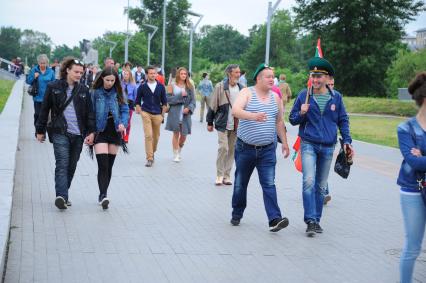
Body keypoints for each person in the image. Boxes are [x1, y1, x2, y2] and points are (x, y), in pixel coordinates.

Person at [289, 57, 354, 237]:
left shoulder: (336, 97)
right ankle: (310, 220)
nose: (315, 80)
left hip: (327, 146)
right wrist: (302, 112)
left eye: (319, 77)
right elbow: (293, 119)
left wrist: (347, 141)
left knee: (321, 185)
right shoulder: (304, 95)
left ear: (327, 78)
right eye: (313, 76)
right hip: (308, 143)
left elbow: (343, 120)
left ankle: (316, 220)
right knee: (308, 180)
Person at [230, 63, 290, 232]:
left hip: (267, 150)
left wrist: (284, 142)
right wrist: (253, 116)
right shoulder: (247, 92)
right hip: (245, 149)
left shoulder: (276, 98)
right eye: (268, 76)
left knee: (269, 184)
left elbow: (279, 121)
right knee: (241, 183)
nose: (272, 79)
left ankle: (274, 219)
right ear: (258, 78)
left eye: (273, 76)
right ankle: (237, 212)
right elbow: (235, 110)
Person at [35, 58, 96, 209]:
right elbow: (44, 110)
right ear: (67, 70)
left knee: (72, 165)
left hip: (78, 134)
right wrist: (40, 130)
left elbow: (90, 113)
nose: (78, 75)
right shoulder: (53, 87)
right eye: (76, 71)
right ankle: (61, 196)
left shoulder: (84, 90)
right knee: (62, 164)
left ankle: (64, 194)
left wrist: (91, 133)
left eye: (81, 73)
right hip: (59, 131)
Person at [397, 72, 426, 283]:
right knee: (413, 246)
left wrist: (422, 155)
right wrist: (418, 158)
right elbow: (413, 161)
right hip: (413, 190)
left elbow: (419, 159)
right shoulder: (406, 128)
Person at [91, 67, 129, 209]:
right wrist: (90, 131)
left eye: (113, 80)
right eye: (107, 80)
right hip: (100, 131)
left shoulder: (119, 93)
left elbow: (125, 110)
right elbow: (91, 112)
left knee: (110, 166)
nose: (110, 83)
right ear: (102, 79)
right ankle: (103, 195)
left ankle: (104, 193)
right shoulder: (95, 93)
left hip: (114, 131)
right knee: (103, 165)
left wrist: (123, 124)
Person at [207, 65, 243, 186]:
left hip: (236, 124)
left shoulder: (242, 88)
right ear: (229, 73)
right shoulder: (220, 86)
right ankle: (219, 175)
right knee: (224, 148)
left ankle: (227, 176)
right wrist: (209, 122)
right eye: (236, 72)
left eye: (239, 72)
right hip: (222, 122)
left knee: (232, 149)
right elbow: (213, 104)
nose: (239, 74)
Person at [135, 66, 168, 167]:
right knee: (148, 135)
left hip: (158, 114)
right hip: (146, 113)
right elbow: (137, 101)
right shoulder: (142, 86)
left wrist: (162, 115)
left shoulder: (161, 87)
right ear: (147, 74)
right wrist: (140, 111)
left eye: (154, 73)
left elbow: (165, 102)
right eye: (151, 73)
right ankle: (149, 158)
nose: (153, 75)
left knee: (156, 137)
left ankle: (152, 152)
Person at [165, 67, 196, 162]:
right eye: (182, 74)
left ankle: (179, 150)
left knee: (184, 135)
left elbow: (193, 101)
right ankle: (175, 154)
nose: (183, 75)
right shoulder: (172, 86)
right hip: (174, 113)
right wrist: (180, 95)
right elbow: (168, 99)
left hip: (186, 114)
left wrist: (189, 108)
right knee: (176, 133)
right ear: (178, 74)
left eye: (185, 74)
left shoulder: (190, 87)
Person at [26, 54, 56, 135]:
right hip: (37, 97)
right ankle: (37, 130)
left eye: (44, 63)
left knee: (45, 116)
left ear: (47, 63)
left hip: (47, 98)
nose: (43, 65)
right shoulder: (34, 70)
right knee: (38, 114)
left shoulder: (51, 72)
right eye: (41, 63)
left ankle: (42, 132)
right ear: (38, 63)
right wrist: (34, 77)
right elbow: (28, 81)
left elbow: (54, 83)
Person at [121, 69, 137, 143]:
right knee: (121, 120)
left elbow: (135, 96)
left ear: (130, 76)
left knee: (128, 121)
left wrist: (135, 105)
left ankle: (126, 136)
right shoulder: (120, 84)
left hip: (130, 104)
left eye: (127, 74)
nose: (125, 76)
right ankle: (121, 135)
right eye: (124, 74)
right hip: (121, 103)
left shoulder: (133, 85)